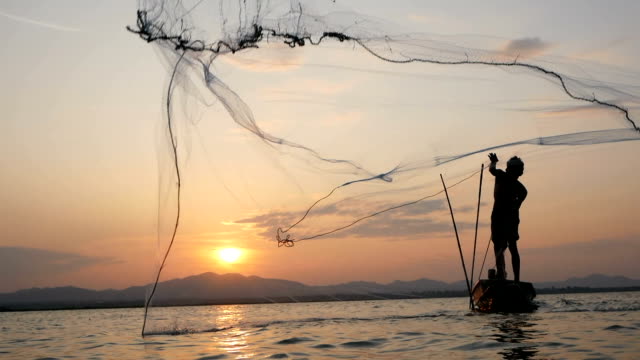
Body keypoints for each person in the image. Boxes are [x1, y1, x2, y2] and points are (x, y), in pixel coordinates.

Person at [488, 153, 527, 282]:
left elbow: (522, 196)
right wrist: (493, 161)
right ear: (510, 169)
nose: (519, 172)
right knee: (498, 245)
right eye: (518, 169)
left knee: (512, 246)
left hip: (510, 219)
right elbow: (492, 170)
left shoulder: (519, 187)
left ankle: (516, 279)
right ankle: (501, 274)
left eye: (520, 170)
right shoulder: (501, 176)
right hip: (498, 217)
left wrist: (515, 206)